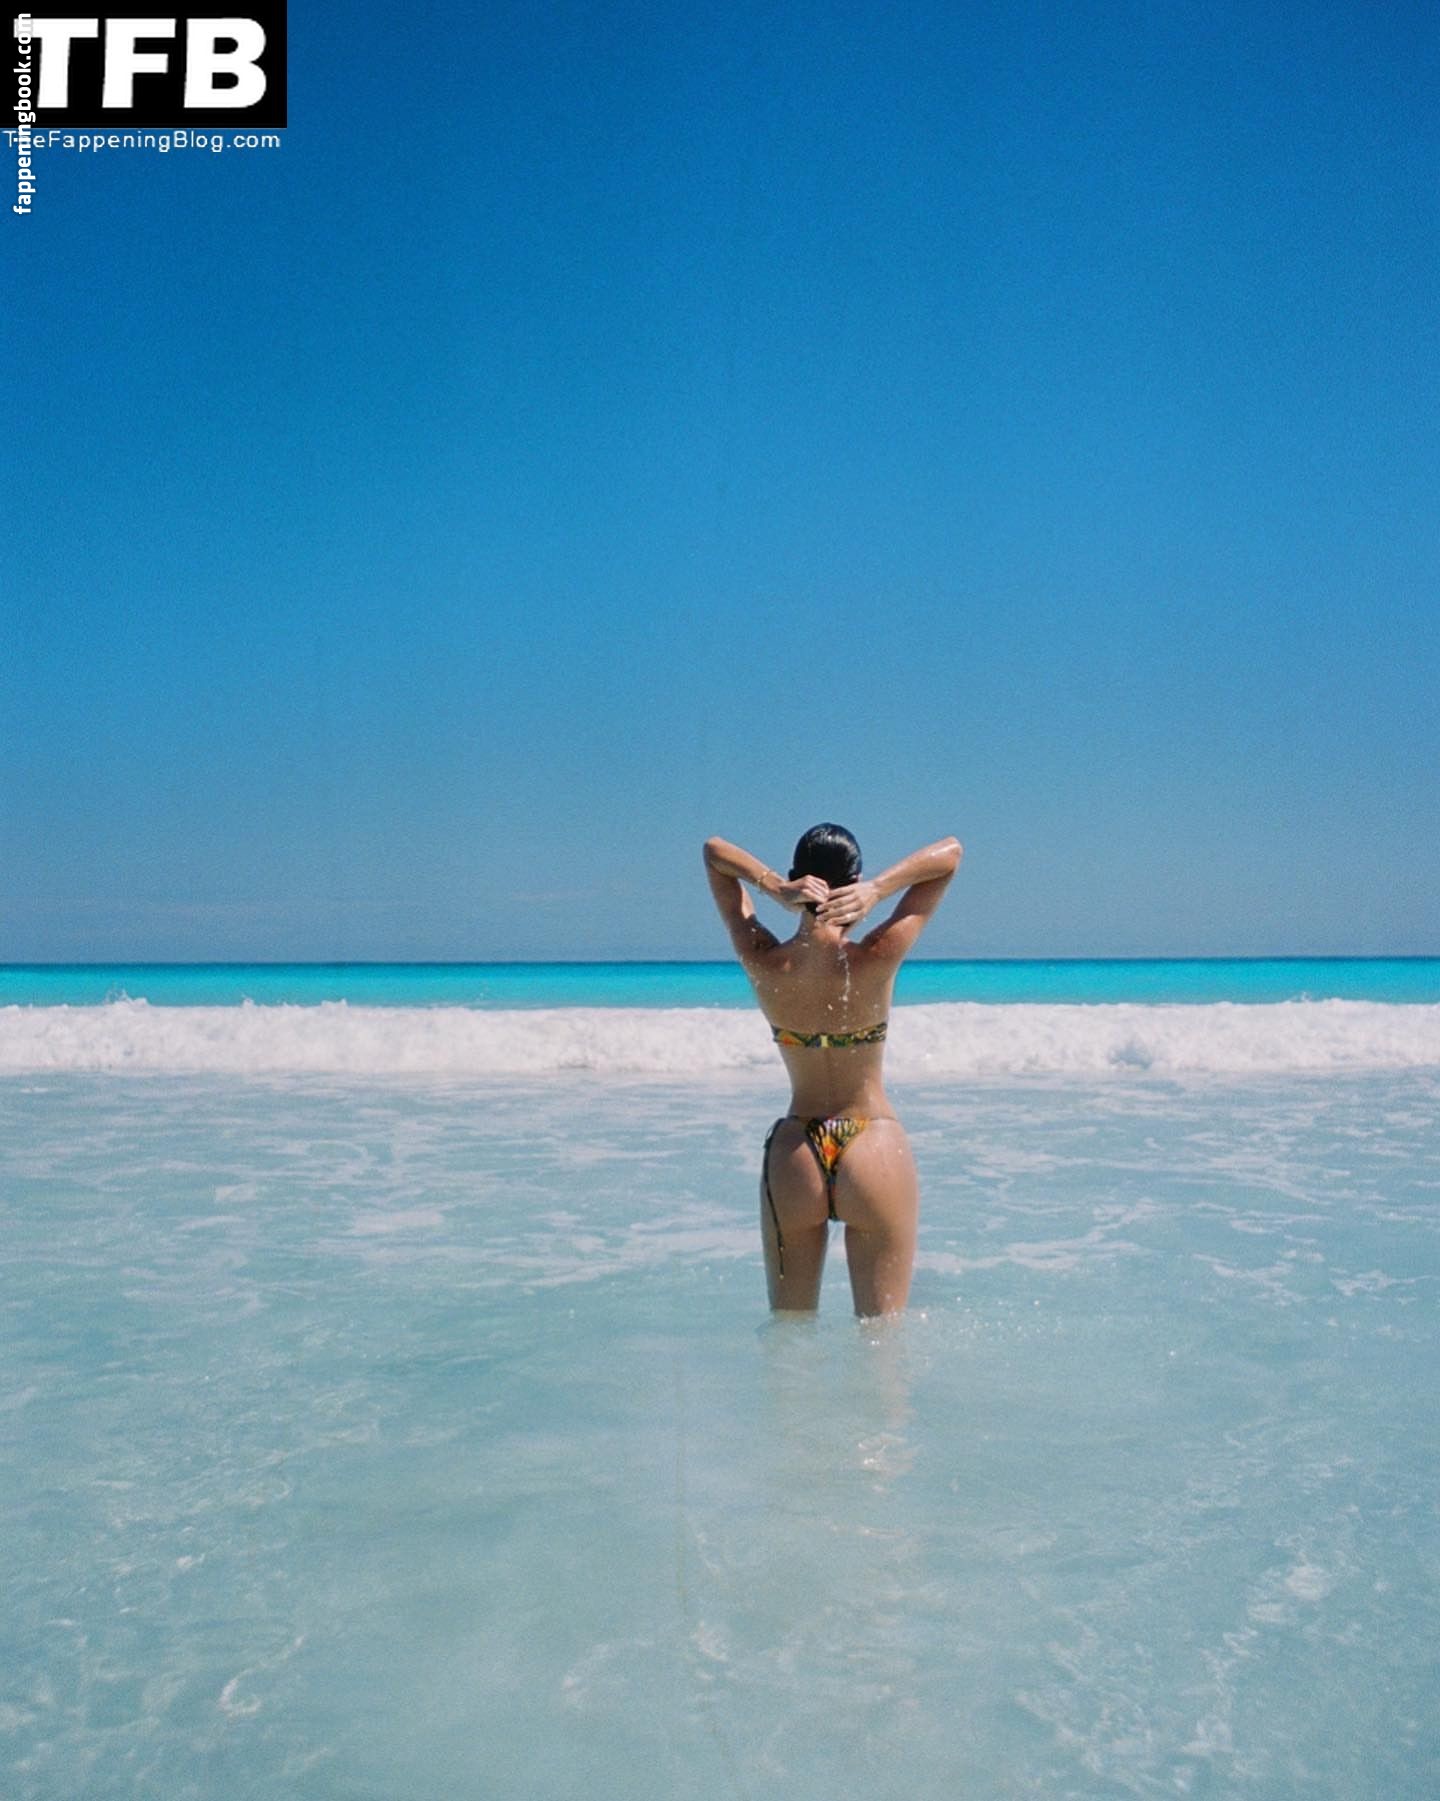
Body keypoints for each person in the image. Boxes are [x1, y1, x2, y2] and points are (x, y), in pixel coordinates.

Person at [703, 825, 962, 1316]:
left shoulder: (763, 959)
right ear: (854, 881)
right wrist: (879, 890)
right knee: (882, 1339)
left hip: (795, 1152)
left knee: (789, 1331)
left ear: (797, 877)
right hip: (873, 1144)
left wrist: (772, 887)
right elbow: (950, 855)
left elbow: (715, 853)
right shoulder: (877, 955)